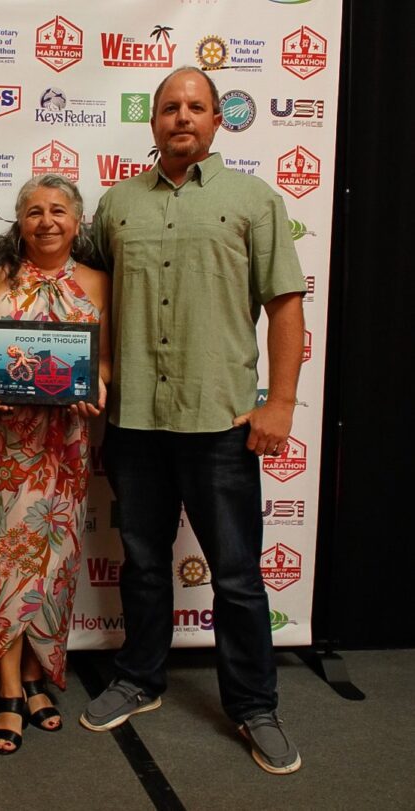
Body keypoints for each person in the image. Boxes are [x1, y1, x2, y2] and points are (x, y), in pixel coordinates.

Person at [81, 67, 306, 775]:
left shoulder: (254, 200)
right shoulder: (116, 205)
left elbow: (286, 305)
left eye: (195, 106)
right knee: (143, 563)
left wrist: (280, 404)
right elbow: (86, 296)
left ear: (217, 120)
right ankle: (139, 677)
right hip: (136, 419)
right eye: (169, 107)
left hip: (220, 421)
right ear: (153, 122)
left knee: (237, 575)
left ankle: (254, 704)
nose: (182, 117)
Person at [0, 174, 112, 754]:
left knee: (51, 567)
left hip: (64, 446)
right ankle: (6, 690)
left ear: (77, 222)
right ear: (18, 222)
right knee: (3, 565)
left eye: (58, 211)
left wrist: (94, 384)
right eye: (33, 212)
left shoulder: (98, 280)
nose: (45, 221)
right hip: (1, 444)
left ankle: (34, 677)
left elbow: (106, 359)